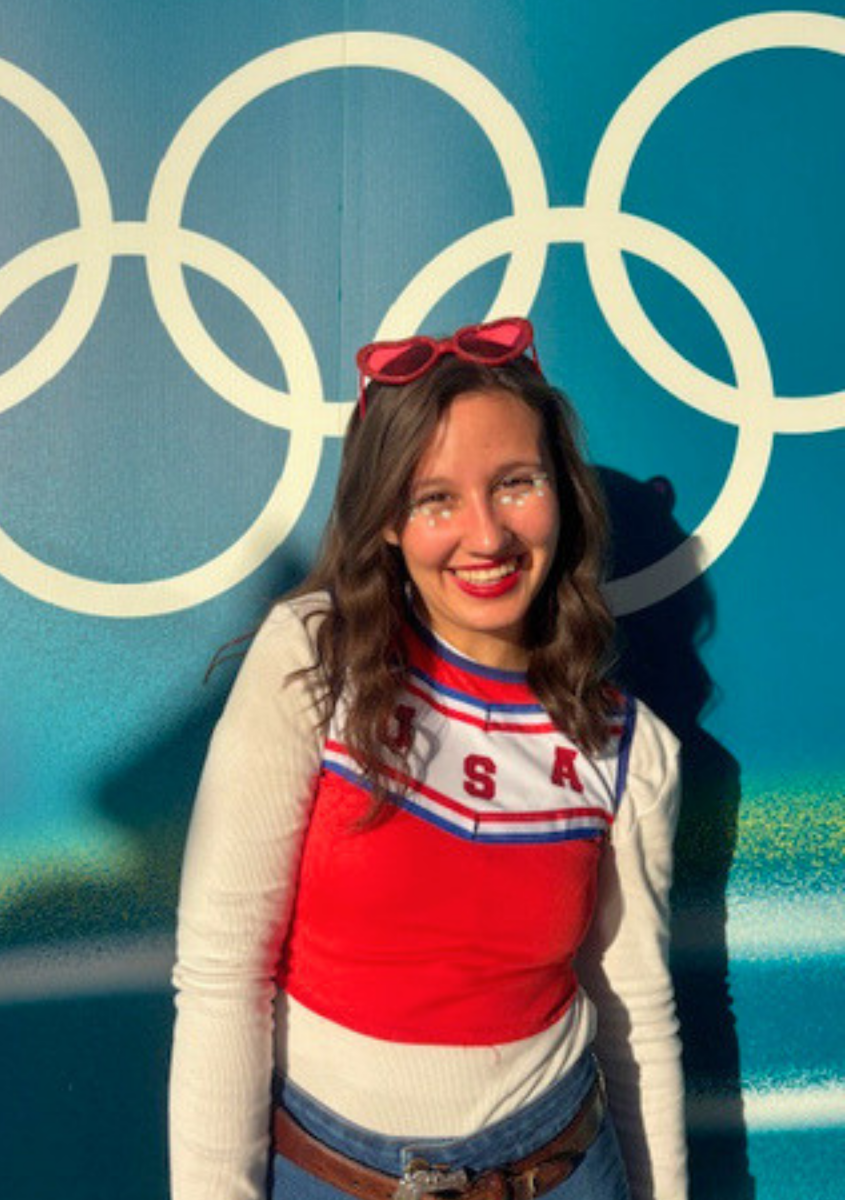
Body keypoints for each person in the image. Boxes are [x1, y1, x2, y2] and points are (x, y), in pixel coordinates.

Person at [169, 317, 688, 1200]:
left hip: (563, 1166)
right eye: (435, 498)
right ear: (387, 521)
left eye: (515, 483)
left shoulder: (629, 748)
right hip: (333, 1171)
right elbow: (222, 977)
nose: (485, 537)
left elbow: (636, 1015)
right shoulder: (312, 660)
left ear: (560, 492)